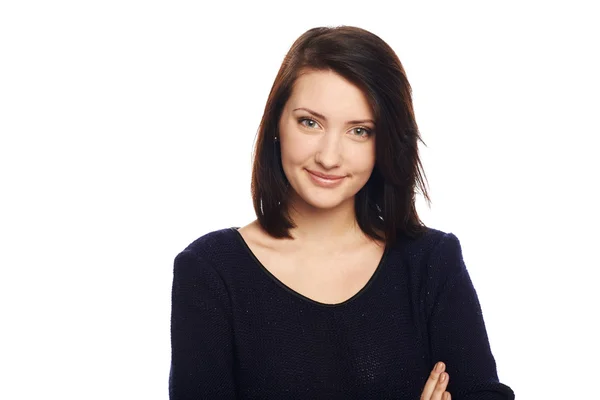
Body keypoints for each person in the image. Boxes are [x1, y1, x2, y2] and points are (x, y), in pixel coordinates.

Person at [168, 25, 515, 400]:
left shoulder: (431, 262)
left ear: (385, 143)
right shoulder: (211, 271)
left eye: (360, 131)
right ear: (276, 125)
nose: (329, 157)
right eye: (310, 122)